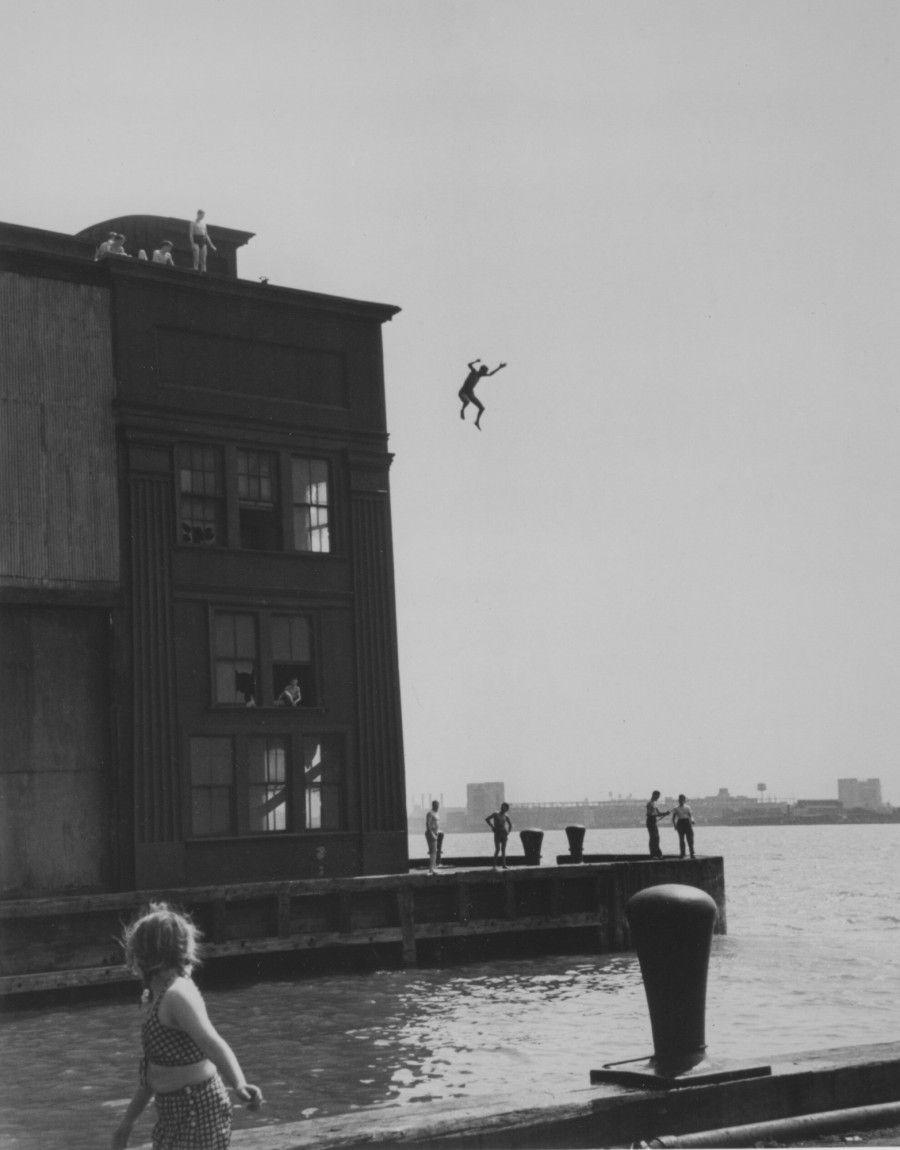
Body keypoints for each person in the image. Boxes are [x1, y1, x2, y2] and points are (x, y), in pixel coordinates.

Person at [111, 902, 263, 1150]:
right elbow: (154, 1070)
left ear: (147, 956)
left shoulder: (177, 994)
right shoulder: (157, 995)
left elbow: (212, 1043)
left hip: (197, 1111)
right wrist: (127, 1123)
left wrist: (239, 1083)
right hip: (174, 1113)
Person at [458, 357, 507, 429]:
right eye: (483, 372)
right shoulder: (474, 372)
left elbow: (490, 374)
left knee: (482, 408)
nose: (484, 374)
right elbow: (469, 365)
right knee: (467, 401)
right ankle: (462, 410)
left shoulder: (480, 375)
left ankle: (477, 421)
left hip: (470, 393)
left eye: (484, 373)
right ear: (481, 370)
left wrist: (499, 367)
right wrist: (476, 361)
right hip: (463, 391)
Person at [485, 802, 512, 869]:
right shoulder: (496, 814)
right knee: (497, 849)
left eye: (504, 807)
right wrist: (492, 827)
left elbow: (510, 825)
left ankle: (504, 865)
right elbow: (487, 819)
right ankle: (494, 865)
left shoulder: (506, 816)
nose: (502, 808)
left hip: (504, 833)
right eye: (502, 807)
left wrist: (508, 832)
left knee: (503, 849)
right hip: (497, 833)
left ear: (506, 809)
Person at [645, 790, 670, 859]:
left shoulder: (655, 803)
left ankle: (657, 853)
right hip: (650, 821)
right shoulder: (649, 803)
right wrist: (656, 815)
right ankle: (653, 854)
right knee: (653, 837)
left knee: (656, 838)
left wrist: (664, 813)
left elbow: (658, 813)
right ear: (654, 795)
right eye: (657, 797)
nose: (658, 798)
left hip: (654, 821)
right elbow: (648, 813)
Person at [425, 800, 441, 875]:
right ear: (433, 805)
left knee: (435, 851)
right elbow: (428, 824)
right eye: (436, 805)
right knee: (433, 851)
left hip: (435, 832)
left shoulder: (437, 813)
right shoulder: (430, 813)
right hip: (430, 833)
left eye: (438, 805)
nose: (437, 807)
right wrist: (432, 834)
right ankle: (431, 869)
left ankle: (434, 867)